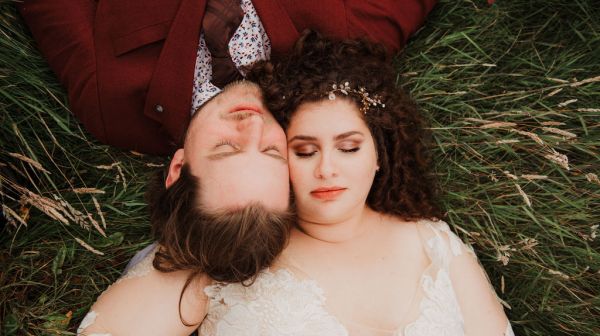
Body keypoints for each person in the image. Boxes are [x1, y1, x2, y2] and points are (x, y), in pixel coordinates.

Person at [78, 32, 514, 336]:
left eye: (349, 148)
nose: (327, 169)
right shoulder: (234, 246)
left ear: (380, 155)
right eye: (303, 151)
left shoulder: (433, 241)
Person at [17, 0, 437, 155]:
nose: (249, 128)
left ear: (181, 167)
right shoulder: (343, 46)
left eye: (224, 150)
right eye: (272, 153)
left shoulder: (111, 103)